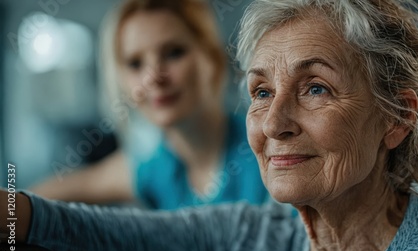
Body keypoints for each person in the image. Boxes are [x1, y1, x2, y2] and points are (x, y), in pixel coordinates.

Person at [2, 0, 418, 251]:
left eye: (316, 88)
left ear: (397, 117)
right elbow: (80, 230)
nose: (274, 122)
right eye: (261, 91)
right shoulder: (252, 239)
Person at [30, 0, 269, 210]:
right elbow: (57, 190)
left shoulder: (266, 145)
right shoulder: (153, 167)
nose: (154, 77)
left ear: (211, 58)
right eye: (135, 63)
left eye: (173, 53)